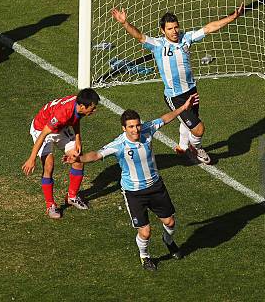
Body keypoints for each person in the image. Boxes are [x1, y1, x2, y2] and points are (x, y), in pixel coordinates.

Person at [64, 93, 198, 271]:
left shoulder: (147, 130)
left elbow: (165, 119)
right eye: (131, 127)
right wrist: (78, 158)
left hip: (156, 186)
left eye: (137, 125)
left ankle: (168, 240)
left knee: (170, 222)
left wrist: (183, 108)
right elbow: (96, 155)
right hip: (134, 193)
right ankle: (145, 256)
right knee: (145, 231)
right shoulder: (119, 144)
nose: (136, 130)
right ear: (124, 128)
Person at [111, 3, 245, 164]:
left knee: (190, 120)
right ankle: (197, 148)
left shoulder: (186, 39)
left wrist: (232, 17)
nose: (174, 31)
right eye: (169, 29)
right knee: (198, 128)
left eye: (176, 27)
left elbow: (209, 28)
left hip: (191, 90)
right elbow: (139, 36)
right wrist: (125, 23)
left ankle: (182, 146)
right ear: (162, 30)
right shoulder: (158, 45)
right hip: (175, 97)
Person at [21, 88, 100, 219]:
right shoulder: (63, 113)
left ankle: (72, 196)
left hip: (60, 128)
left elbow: (76, 118)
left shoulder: (78, 105)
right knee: (49, 165)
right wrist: (31, 158)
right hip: (42, 129)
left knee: (77, 159)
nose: (94, 110)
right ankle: (50, 205)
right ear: (82, 106)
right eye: (92, 108)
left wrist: (78, 138)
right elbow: (43, 134)